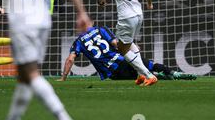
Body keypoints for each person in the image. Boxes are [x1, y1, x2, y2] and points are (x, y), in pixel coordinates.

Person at [98, 0, 157, 86]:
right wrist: (149, 4)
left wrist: (102, 1)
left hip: (126, 17)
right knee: (131, 46)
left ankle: (148, 75)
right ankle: (140, 75)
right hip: (139, 14)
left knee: (121, 49)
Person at [58, 25, 197, 82]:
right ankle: (174, 73)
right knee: (150, 65)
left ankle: (159, 77)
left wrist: (64, 77)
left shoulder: (78, 42)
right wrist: (133, 49)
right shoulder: (101, 29)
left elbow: (70, 60)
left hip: (112, 72)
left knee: (139, 76)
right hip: (123, 59)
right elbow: (116, 44)